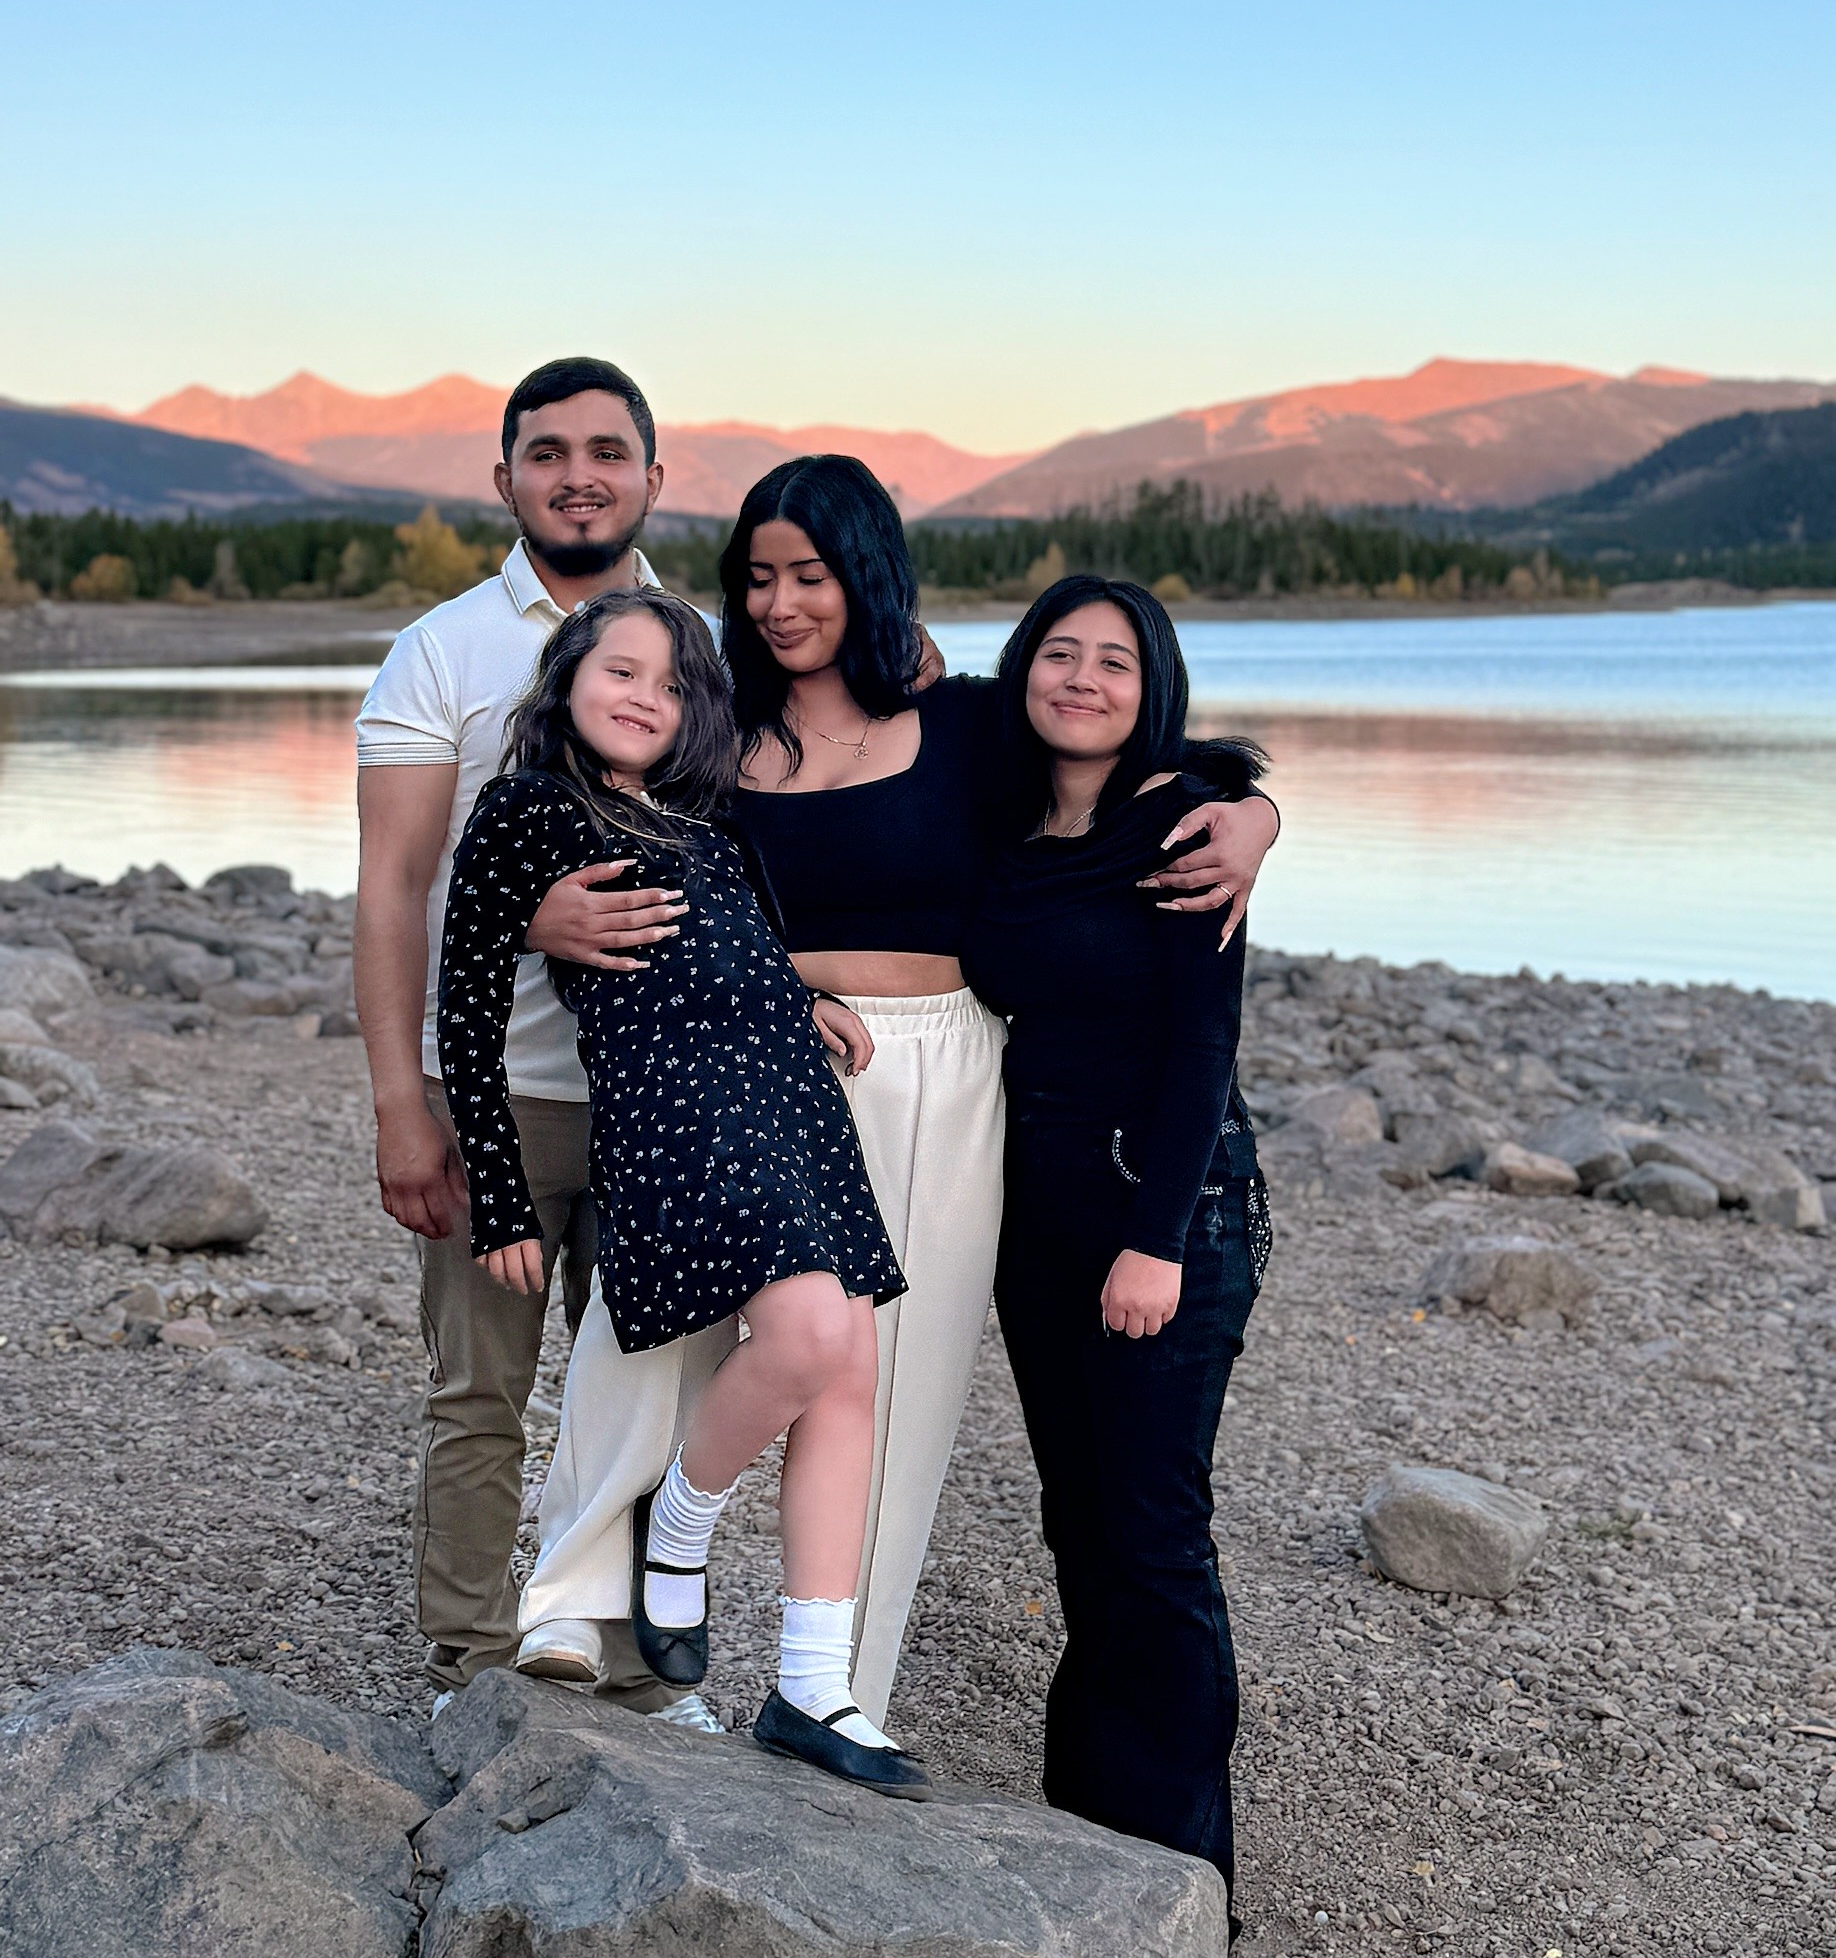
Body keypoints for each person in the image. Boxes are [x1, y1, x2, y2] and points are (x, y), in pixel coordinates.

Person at [528, 452, 1282, 1727]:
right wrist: (542, 910)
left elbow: (1145, 764)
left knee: (891, 1381)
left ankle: (829, 1689)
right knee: (650, 1331)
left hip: (936, 1070)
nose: (778, 603)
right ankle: (582, 1620)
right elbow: (593, 810)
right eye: (757, 577)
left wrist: (1256, 814)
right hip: (746, 1056)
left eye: (809, 575)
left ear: (864, 576)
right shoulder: (712, 725)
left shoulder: (975, 723)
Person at [437, 587, 928, 1796]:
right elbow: (467, 999)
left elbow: (744, 945)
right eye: (621, 670)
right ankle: (679, 1525)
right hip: (677, 1118)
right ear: (566, 679)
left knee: (847, 1361)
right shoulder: (526, 809)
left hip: (791, 1101)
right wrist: (500, 1201)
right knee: (808, 1334)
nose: (644, 696)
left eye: (671, 683)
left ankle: (815, 1685)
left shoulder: (705, 825)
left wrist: (800, 1003)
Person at [353, 353, 719, 1724]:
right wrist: (403, 1100)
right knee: (479, 1396)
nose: (579, 475)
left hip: (656, 1098)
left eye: (606, 451)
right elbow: (396, 886)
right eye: (548, 452)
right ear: (505, 477)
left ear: (652, 478)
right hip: (493, 1093)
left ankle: (629, 1664)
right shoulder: (441, 650)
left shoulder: (697, 652)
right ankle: (467, 1662)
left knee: (645, 1396)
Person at [960, 575, 1273, 1911]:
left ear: (1154, 693)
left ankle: (1185, 1862)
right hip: (1041, 1226)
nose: (1083, 678)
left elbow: (1205, 1046)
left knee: (1151, 1531)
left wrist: (1154, 1244)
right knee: (1077, 1522)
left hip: (1168, 1216)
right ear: (1023, 669)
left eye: (1117, 663)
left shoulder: (1184, 826)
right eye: (1061, 654)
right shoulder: (1008, 826)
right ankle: (1093, 1815)